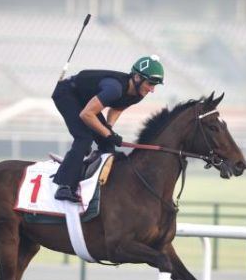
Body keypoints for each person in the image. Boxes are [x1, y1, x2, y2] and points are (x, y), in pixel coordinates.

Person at [51, 55, 165, 202]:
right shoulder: (115, 89)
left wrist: (109, 129)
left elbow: (117, 109)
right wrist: (107, 133)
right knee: (84, 138)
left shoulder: (138, 93)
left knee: (107, 144)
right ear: (137, 77)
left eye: (155, 85)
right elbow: (86, 114)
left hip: (86, 102)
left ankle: (100, 183)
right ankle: (64, 186)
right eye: (150, 84)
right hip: (67, 93)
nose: (152, 89)